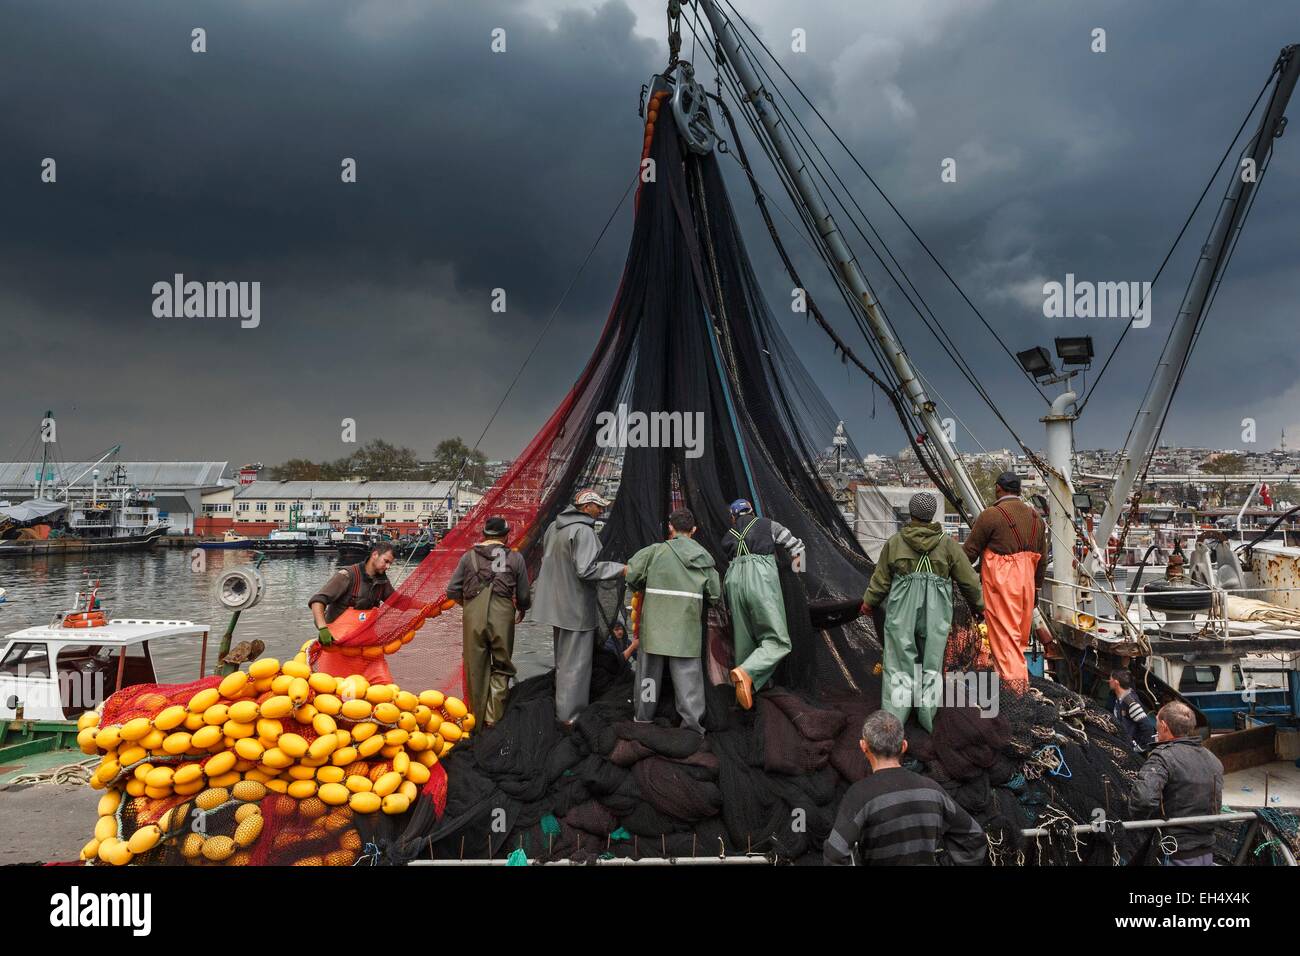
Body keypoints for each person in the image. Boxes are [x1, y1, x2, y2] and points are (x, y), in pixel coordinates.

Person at [861, 492, 983, 731]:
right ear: (932, 515)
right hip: (936, 608)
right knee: (931, 662)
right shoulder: (947, 544)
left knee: (898, 660)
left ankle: (894, 721)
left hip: (902, 607)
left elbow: (881, 580)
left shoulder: (895, 542)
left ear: (911, 513)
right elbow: (969, 581)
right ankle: (926, 717)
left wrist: (869, 602)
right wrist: (980, 607)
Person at [824, 710, 986, 866]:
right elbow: (973, 835)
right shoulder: (932, 790)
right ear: (904, 746)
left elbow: (835, 853)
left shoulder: (859, 794)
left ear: (863, 746)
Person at [530, 489, 626, 727]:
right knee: (577, 666)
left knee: (563, 661)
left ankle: (562, 709)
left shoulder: (555, 527)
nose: (601, 509)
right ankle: (570, 718)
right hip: (576, 609)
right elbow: (587, 569)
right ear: (585, 508)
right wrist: (620, 569)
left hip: (554, 606)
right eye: (597, 506)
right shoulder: (584, 531)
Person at [624, 508, 721, 735]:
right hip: (686, 630)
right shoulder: (704, 558)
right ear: (694, 530)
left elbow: (632, 575)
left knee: (648, 677)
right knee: (688, 681)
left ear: (670, 528)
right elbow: (714, 595)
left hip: (654, 631)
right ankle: (692, 728)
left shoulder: (654, 552)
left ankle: (643, 719)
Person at [446, 516, 531, 729]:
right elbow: (523, 595)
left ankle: (474, 721)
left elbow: (452, 590)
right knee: (502, 665)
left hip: (473, 614)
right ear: (505, 536)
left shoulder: (468, 557)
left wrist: (469, 606)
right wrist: (521, 608)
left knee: (476, 667)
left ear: (483, 535)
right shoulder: (516, 558)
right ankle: (493, 719)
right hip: (502, 613)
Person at [962, 472, 1047, 684]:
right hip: (1028, 585)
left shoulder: (991, 515)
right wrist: (1036, 589)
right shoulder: (1037, 518)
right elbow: (1042, 560)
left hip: (1003, 584)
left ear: (999, 488)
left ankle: (1015, 695)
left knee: (1004, 640)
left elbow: (969, 553)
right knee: (1018, 640)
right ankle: (1019, 684)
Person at [721, 498, 805, 710]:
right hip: (761, 581)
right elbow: (797, 547)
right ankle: (747, 672)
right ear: (751, 511)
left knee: (744, 642)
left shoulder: (727, 538)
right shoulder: (768, 525)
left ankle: (746, 697)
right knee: (777, 641)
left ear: (733, 517)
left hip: (734, 583)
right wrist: (798, 576)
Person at [1132, 701, 1224, 866]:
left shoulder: (1162, 757)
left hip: (1175, 853)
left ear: (1164, 726)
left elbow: (1143, 800)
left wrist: (1142, 826)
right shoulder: (1213, 759)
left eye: (1157, 723)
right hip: (1206, 851)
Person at [309, 541, 402, 682]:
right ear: (375, 555)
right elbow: (318, 601)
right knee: (335, 693)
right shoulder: (347, 575)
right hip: (337, 648)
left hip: (366, 650)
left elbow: (398, 601)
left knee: (382, 690)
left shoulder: (381, 581)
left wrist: (429, 606)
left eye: (390, 564)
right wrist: (323, 628)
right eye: (386, 561)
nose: (388, 567)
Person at [1108, 669, 1157, 754]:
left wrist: (1140, 747)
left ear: (1116, 682)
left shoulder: (1131, 703)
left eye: (1110, 679)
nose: (1108, 681)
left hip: (1132, 748)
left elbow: (1147, 727)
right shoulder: (1121, 698)